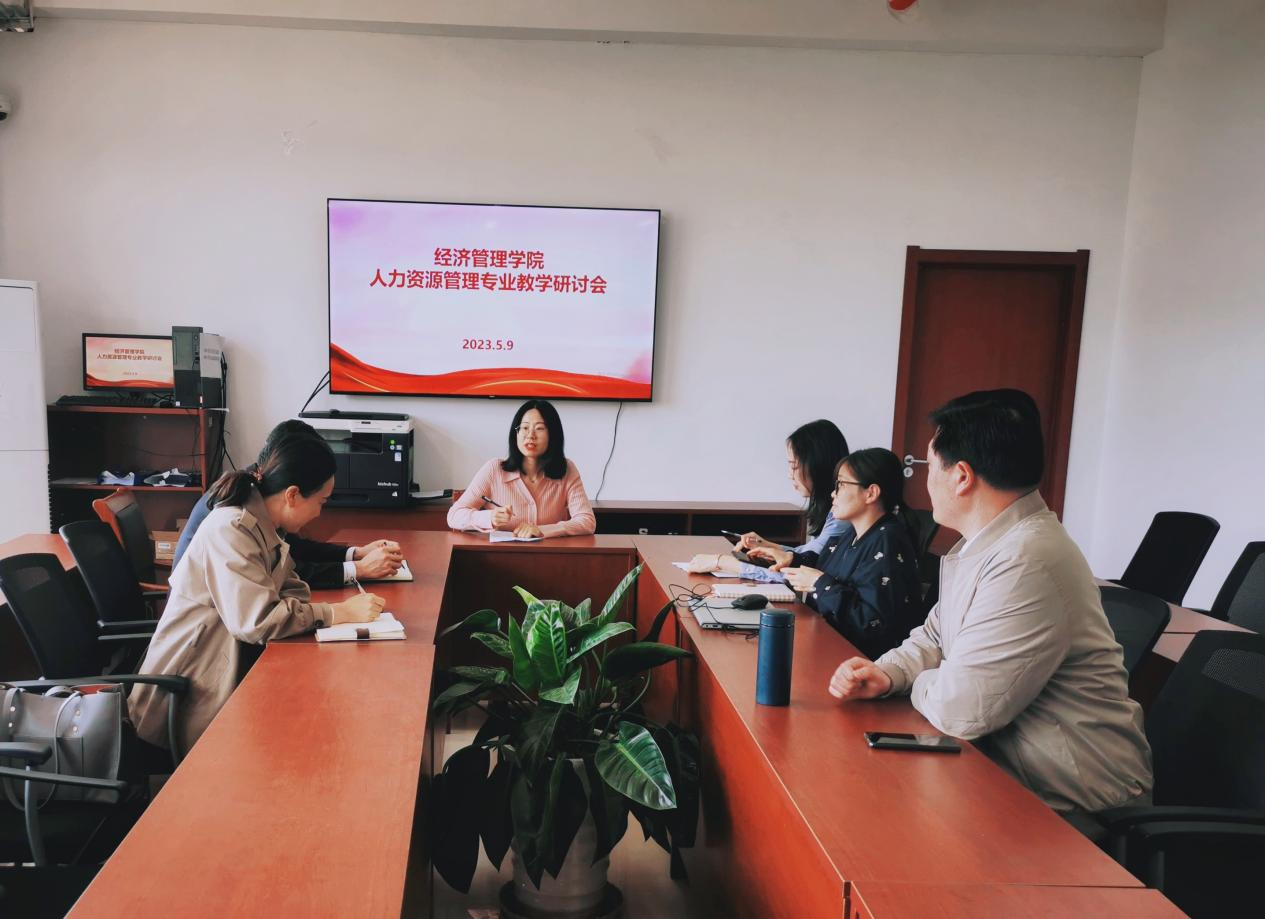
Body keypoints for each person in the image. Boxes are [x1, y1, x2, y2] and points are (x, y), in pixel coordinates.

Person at [828, 390, 1152, 826]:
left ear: (961, 476)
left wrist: (921, 680)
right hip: (1008, 770)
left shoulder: (1027, 559)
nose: (925, 480)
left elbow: (962, 710)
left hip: (1075, 801)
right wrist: (889, 673)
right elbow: (935, 635)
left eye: (930, 467)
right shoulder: (988, 545)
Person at [130, 433, 384, 753]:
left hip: (230, 662)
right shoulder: (232, 529)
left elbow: (292, 586)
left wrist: (310, 611)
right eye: (321, 502)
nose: (320, 513)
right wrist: (337, 613)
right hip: (191, 686)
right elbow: (257, 621)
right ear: (293, 495)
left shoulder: (265, 525)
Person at [173, 419, 403, 586]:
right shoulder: (236, 513)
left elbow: (293, 549)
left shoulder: (260, 491)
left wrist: (355, 554)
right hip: (210, 631)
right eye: (321, 502)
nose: (319, 512)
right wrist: (358, 570)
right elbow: (284, 576)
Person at [765, 448, 925, 659]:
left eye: (840, 484)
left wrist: (818, 583)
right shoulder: (853, 532)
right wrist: (793, 560)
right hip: (829, 643)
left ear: (871, 493)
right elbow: (830, 569)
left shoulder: (888, 542)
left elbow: (871, 623)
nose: (833, 494)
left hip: (861, 662)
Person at [687, 419, 850, 581]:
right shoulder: (831, 510)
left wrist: (722, 562)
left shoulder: (841, 517)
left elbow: (800, 574)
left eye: (794, 466)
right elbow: (807, 556)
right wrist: (768, 546)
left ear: (818, 466)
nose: (790, 475)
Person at [447, 399, 596, 538]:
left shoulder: (567, 470)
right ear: (516, 433)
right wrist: (489, 518)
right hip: (502, 554)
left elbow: (587, 521)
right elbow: (454, 516)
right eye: (524, 427)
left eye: (539, 428)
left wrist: (542, 530)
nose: (530, 435)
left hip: (550, 555)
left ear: (553, 435)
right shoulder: (494, 470)